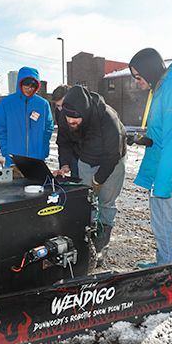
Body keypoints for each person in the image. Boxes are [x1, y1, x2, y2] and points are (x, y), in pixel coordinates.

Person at [128, 48, 172, 268]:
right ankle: (162, 263)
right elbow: (161, 134)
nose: (136, 81)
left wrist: (163, 183)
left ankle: (165, 270)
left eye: (138, 76)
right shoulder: (160, 88)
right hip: (161, 169)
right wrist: (142, 140)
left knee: (164, 221)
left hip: (170, 172)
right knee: (159, 220)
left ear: (149, 70)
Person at [53, 85, 127, 268]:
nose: (70, 120)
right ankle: (87, 244)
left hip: (112, 161)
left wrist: (98, 180)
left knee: (105, 203)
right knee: (87, 202)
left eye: (74, 117)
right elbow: (64, 142)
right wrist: (65, 164)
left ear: (85, 113)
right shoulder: (65, 116)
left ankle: (101, 247)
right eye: (67, 116)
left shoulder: (107, 118)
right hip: (85, 159)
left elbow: (112, 155)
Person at [0, 66, 54, 171]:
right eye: (26, 85)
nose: (29, 89)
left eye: (33, 86)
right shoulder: (6, 103)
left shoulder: (43, 104)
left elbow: (48, 128)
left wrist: (44, 150)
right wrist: (6, 151)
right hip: (13, 162)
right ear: (20, 83)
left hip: (37, 161)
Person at [51, 84, 79, 178]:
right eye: (58, 106)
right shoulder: (60, 113)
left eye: (63, 105)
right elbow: (63, 140)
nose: (61, 110)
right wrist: (65, 164)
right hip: (75, 154)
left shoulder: (86, 111)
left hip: (98, 157)